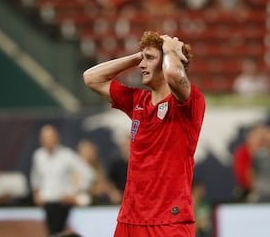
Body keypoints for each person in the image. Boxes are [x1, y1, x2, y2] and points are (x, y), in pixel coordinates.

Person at [83, 31, 205, 236]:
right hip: (130, 219)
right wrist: (137, 56)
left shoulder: (190, 103)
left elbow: (175, 75)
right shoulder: (137, 101)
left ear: (168, 60)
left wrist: (170, 51)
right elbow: (91, 78)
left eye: (149, 58)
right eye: (143, 58)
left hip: (169, 221)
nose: (141, 65)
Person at [30, 125, 95, 235]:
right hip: (47, 203)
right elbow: (35, 176)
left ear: (57, 138)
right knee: (51, 233)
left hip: (63, 202)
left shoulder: (66, 155)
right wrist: (36, 192)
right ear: (41, 140)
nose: (48, 140)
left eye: (51, 137)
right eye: (45, 137)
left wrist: (76, 192)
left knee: (60, 232)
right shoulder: (38, 156)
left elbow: (88, 173)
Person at [107, 133, 129, 205]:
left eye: (128, 145)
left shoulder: (140, 164)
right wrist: (113, 192)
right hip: (120, 199)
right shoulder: (116, 163)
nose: (126, 148)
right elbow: (110, 181)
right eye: (124, 146)